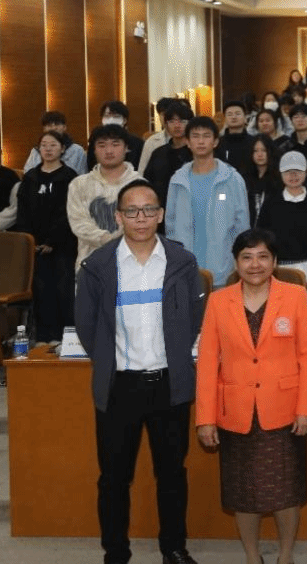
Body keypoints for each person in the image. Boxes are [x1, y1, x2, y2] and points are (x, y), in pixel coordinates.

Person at [74, 178, 203, 564]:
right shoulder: (98, 265)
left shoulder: (182, 262)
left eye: (149, 210)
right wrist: (109, 362)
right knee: (114, 478)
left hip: (169, 385)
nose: (141, 218)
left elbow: (194, 318)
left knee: (172, 474)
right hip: (119, 387)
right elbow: (86, 325)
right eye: (131, 211)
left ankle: (174, 549)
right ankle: (115, 552)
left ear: (161, 215)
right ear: (118, 217)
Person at [195, 229, 307, 564]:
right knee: (243, 491)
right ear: (236, 263)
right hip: (236, 412)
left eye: (263, 256)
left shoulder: (295, 296)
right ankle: (252, 557)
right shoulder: (219, 301)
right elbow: (207, 362)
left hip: (284, 411)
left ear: (274, 262)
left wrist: (306, 408)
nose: (255, 264)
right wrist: (205, 418)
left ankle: (285, 556)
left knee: (286, 491)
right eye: (247, 257)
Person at [165, 117, 250, 287]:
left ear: (215, 141)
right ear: (188, 142)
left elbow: (242, 225)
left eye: (206, 136)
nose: (201, 141)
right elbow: (170, 224)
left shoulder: (231, 179)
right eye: (195, 136)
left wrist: (240, 261)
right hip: (186, 270)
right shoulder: (178, 180)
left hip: (223, 269)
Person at [16, 130, 78, 343]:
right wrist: (30, 239)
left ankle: (66, 338)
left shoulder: (70, 177)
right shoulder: (30, 177)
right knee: (41, 292)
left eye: (53, 145)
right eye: (44, 145)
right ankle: (43, 337)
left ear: (62, 149)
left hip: (63, 246)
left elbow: (68, 212)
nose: (48, 149)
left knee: (63, 290)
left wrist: (53, 240)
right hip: (35, 246)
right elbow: (22, 211)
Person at [257, 151, 307, 316]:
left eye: (298, 171)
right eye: (288, 171)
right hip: (277, 270)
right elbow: (262, 240)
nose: (293, 175)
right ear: (280, 174)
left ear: (306, 173)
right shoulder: (271, 204)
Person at [68, 124, 144, 269]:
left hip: (131, 263)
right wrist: (106, 238)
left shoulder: (139, 184)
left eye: (115, 144)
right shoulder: (79, 185)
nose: (109, 151)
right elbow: (78, 223)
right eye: (102, 145)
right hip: (90, 264)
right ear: (94, 150)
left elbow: (142, 223)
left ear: (126, 148)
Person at [143, 103, 194, 207]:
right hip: (161, 208)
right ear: (166, 125)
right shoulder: (158, 153)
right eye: (171, 121)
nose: (177, 125)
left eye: (182, 121)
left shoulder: (196, 153)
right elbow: (148, 182)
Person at [23, 110, 88, 174]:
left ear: (64, 127)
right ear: (44, 129)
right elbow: (27, 172)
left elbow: (83, 175)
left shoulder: (77, 150)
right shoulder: (36, 150)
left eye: (57, 124)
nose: (53, 128)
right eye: (49, 125)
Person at [89, 101, 145, 171]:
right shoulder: (95, 140)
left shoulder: (137, 142)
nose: (111, 119)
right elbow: (91, 164)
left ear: (125, 120)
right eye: (107, 116)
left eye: (116, 116)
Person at [243, 136, 282, 224]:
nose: (259, 155)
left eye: (264, 150)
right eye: (255, 151)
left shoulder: (279, 179)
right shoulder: (245, 178)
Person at [214, 100, 256, 175]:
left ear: (245, 118)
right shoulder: (218, 143)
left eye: (238, 114)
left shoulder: (254, 142)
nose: (234, 117)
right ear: (225, 119)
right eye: (229, 114)